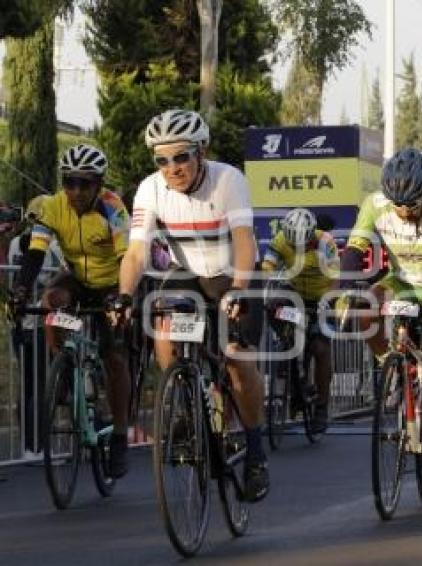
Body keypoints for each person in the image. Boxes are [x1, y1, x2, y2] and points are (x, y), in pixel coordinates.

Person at [110, 109, 269, 501]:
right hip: (189, 273)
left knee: (236, 358)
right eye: (162, 159)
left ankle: (256, 452)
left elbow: (246, 241)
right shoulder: (150, 189)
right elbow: (135, 253)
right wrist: (124, 297)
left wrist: (240, 290)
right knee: (163, 323)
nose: (172, 167)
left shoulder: (228, 180)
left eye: (181, 156)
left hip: (233, 270)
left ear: (202, 152)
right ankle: (181, 399)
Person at [339, 148, 422, 489]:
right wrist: (346, 286)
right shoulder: (375, 204)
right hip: (400, 283)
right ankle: (391, 365)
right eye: (397, 205)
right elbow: (354, 251)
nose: (404, 212)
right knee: (360, 304)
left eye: (411, 205)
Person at [9, 144, 132, 477]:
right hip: (77, 276)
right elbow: (35, 253)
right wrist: (20, 289)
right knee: (51, 300)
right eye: (70, 182)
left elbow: (126, 259)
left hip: (111, 280)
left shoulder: (113, 207)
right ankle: (62, 362)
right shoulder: (52, 206)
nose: (76, 191)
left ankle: (120, 435)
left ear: (99, 183)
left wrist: (122, 297)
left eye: (85, 183)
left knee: (114, 357)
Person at [261, 207, 340, 433]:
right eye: (293, 246)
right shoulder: (279, 240)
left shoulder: (326, 242)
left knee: (320, 348)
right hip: (294, 294)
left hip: (321, 297)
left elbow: (336, 277)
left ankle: (322, 408)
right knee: (272, 307)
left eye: (303, 245)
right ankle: (288, 347)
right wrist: (266, 286)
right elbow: (267, 267)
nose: (298, 249)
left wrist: (328, 299)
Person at [8, 195, 64, 457]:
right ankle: (40, 445)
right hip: (43, 322)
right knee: (42, 385)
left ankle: (28, 445)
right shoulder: (52, 248)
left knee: (27, 384)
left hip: (20, 323)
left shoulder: (15, 244)